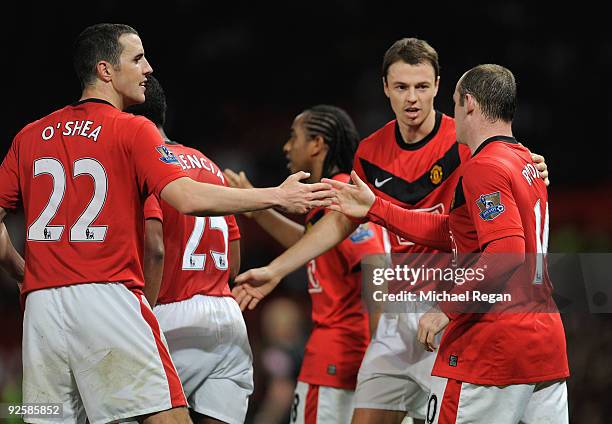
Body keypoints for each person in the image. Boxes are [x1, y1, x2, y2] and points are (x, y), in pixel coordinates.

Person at [0, 23, 332, 424]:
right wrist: (275, 195)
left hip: (41, 308)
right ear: (106, 70)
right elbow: (187, 198)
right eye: (137, 58)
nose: (148, 68)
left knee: (51, 416)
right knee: (169, 418)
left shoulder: (30, 136)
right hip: (109, 296)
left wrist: (21, 270)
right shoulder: (133, 128)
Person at [232, 38, 550, 424]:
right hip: (397, 318)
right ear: (385, 87)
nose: (412, 98)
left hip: (449, 313)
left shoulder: (465, 142)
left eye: (421, 86)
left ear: (437, 85)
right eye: (401, 87)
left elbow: (502, 191)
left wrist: (530, 165)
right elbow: (340, 222)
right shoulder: (370, 152)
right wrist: (277, 269)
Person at [324, 64, 569, 424]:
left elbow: (505, 252)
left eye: (453, 102)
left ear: (468, 103)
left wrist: (446, 308)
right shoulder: (526, 162)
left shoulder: (484, 166)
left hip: (492, 342)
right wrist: (377, 207)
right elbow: (452, 231)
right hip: (544, 339)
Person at [225, 105, 386, 424]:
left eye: (294, 137)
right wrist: (258, 208)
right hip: (341, 360)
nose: (287, 146)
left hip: (338, 362)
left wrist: (380, 356)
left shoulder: (344, 196)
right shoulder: (329, 196)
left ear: (317, 145)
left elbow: (376, 262)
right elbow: (312, 247)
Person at [126, 75, 254, 424]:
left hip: (170, 315)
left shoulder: (145, 164)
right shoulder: (208, 164)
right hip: (227, 317)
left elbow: (154, 248)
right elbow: (233, 257)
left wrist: (145, 312)